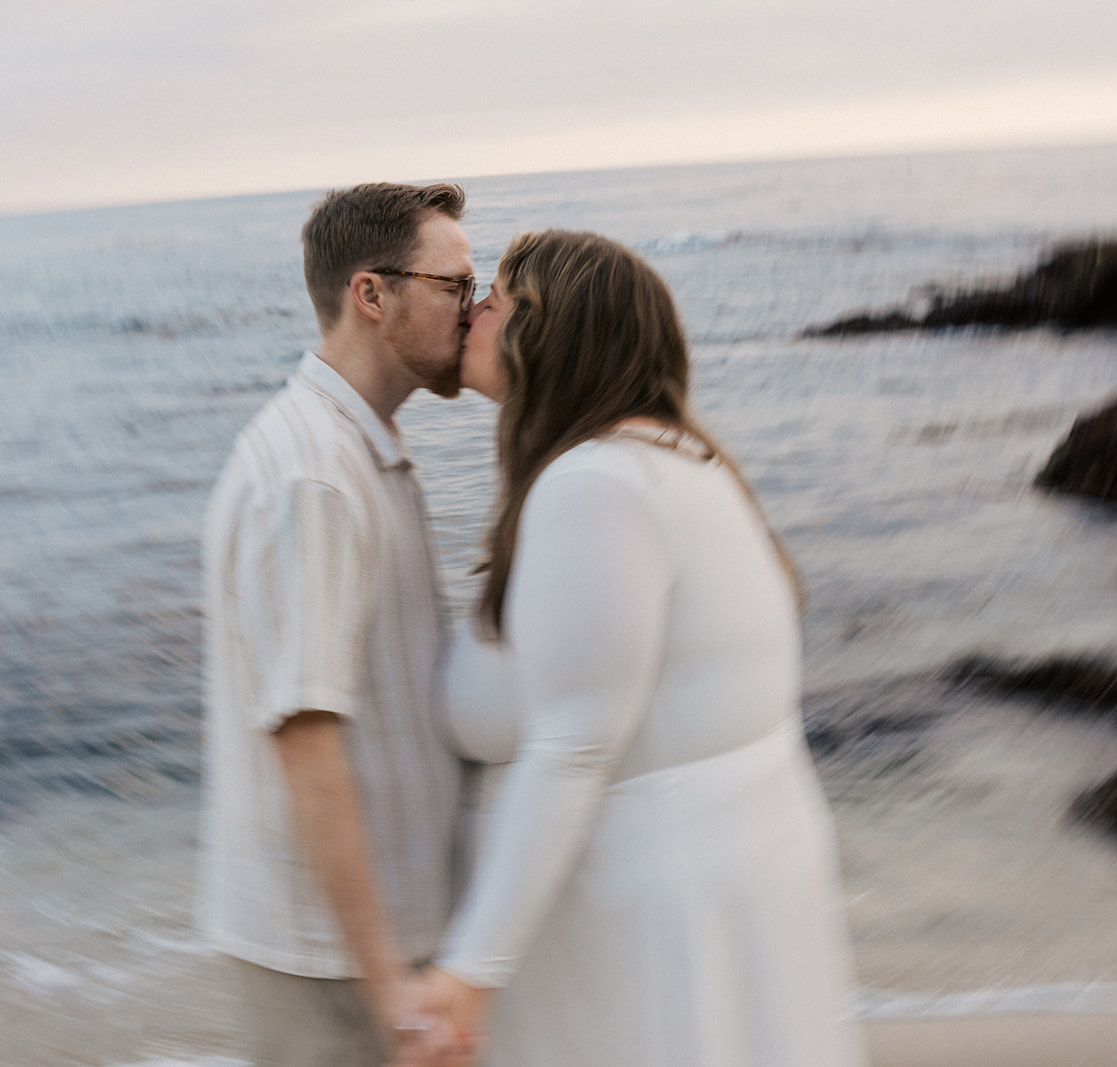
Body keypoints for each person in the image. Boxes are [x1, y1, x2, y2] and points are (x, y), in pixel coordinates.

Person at [408, 230, 868, 1067]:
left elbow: (574, 743)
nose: (472, 312)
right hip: (710, 898)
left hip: (638, 935)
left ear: (547, 334)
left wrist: (469, 969)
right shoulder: (683, 461)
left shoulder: (594, 486)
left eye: (496, 299)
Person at [197, 182, 475, 1067]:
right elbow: (306, 737)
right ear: (372, 294)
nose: (475, 311)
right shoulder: (311, 477)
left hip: (368, 945)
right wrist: (388, 983)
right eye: (455, 286)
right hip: (329, 960)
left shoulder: (358, 447)